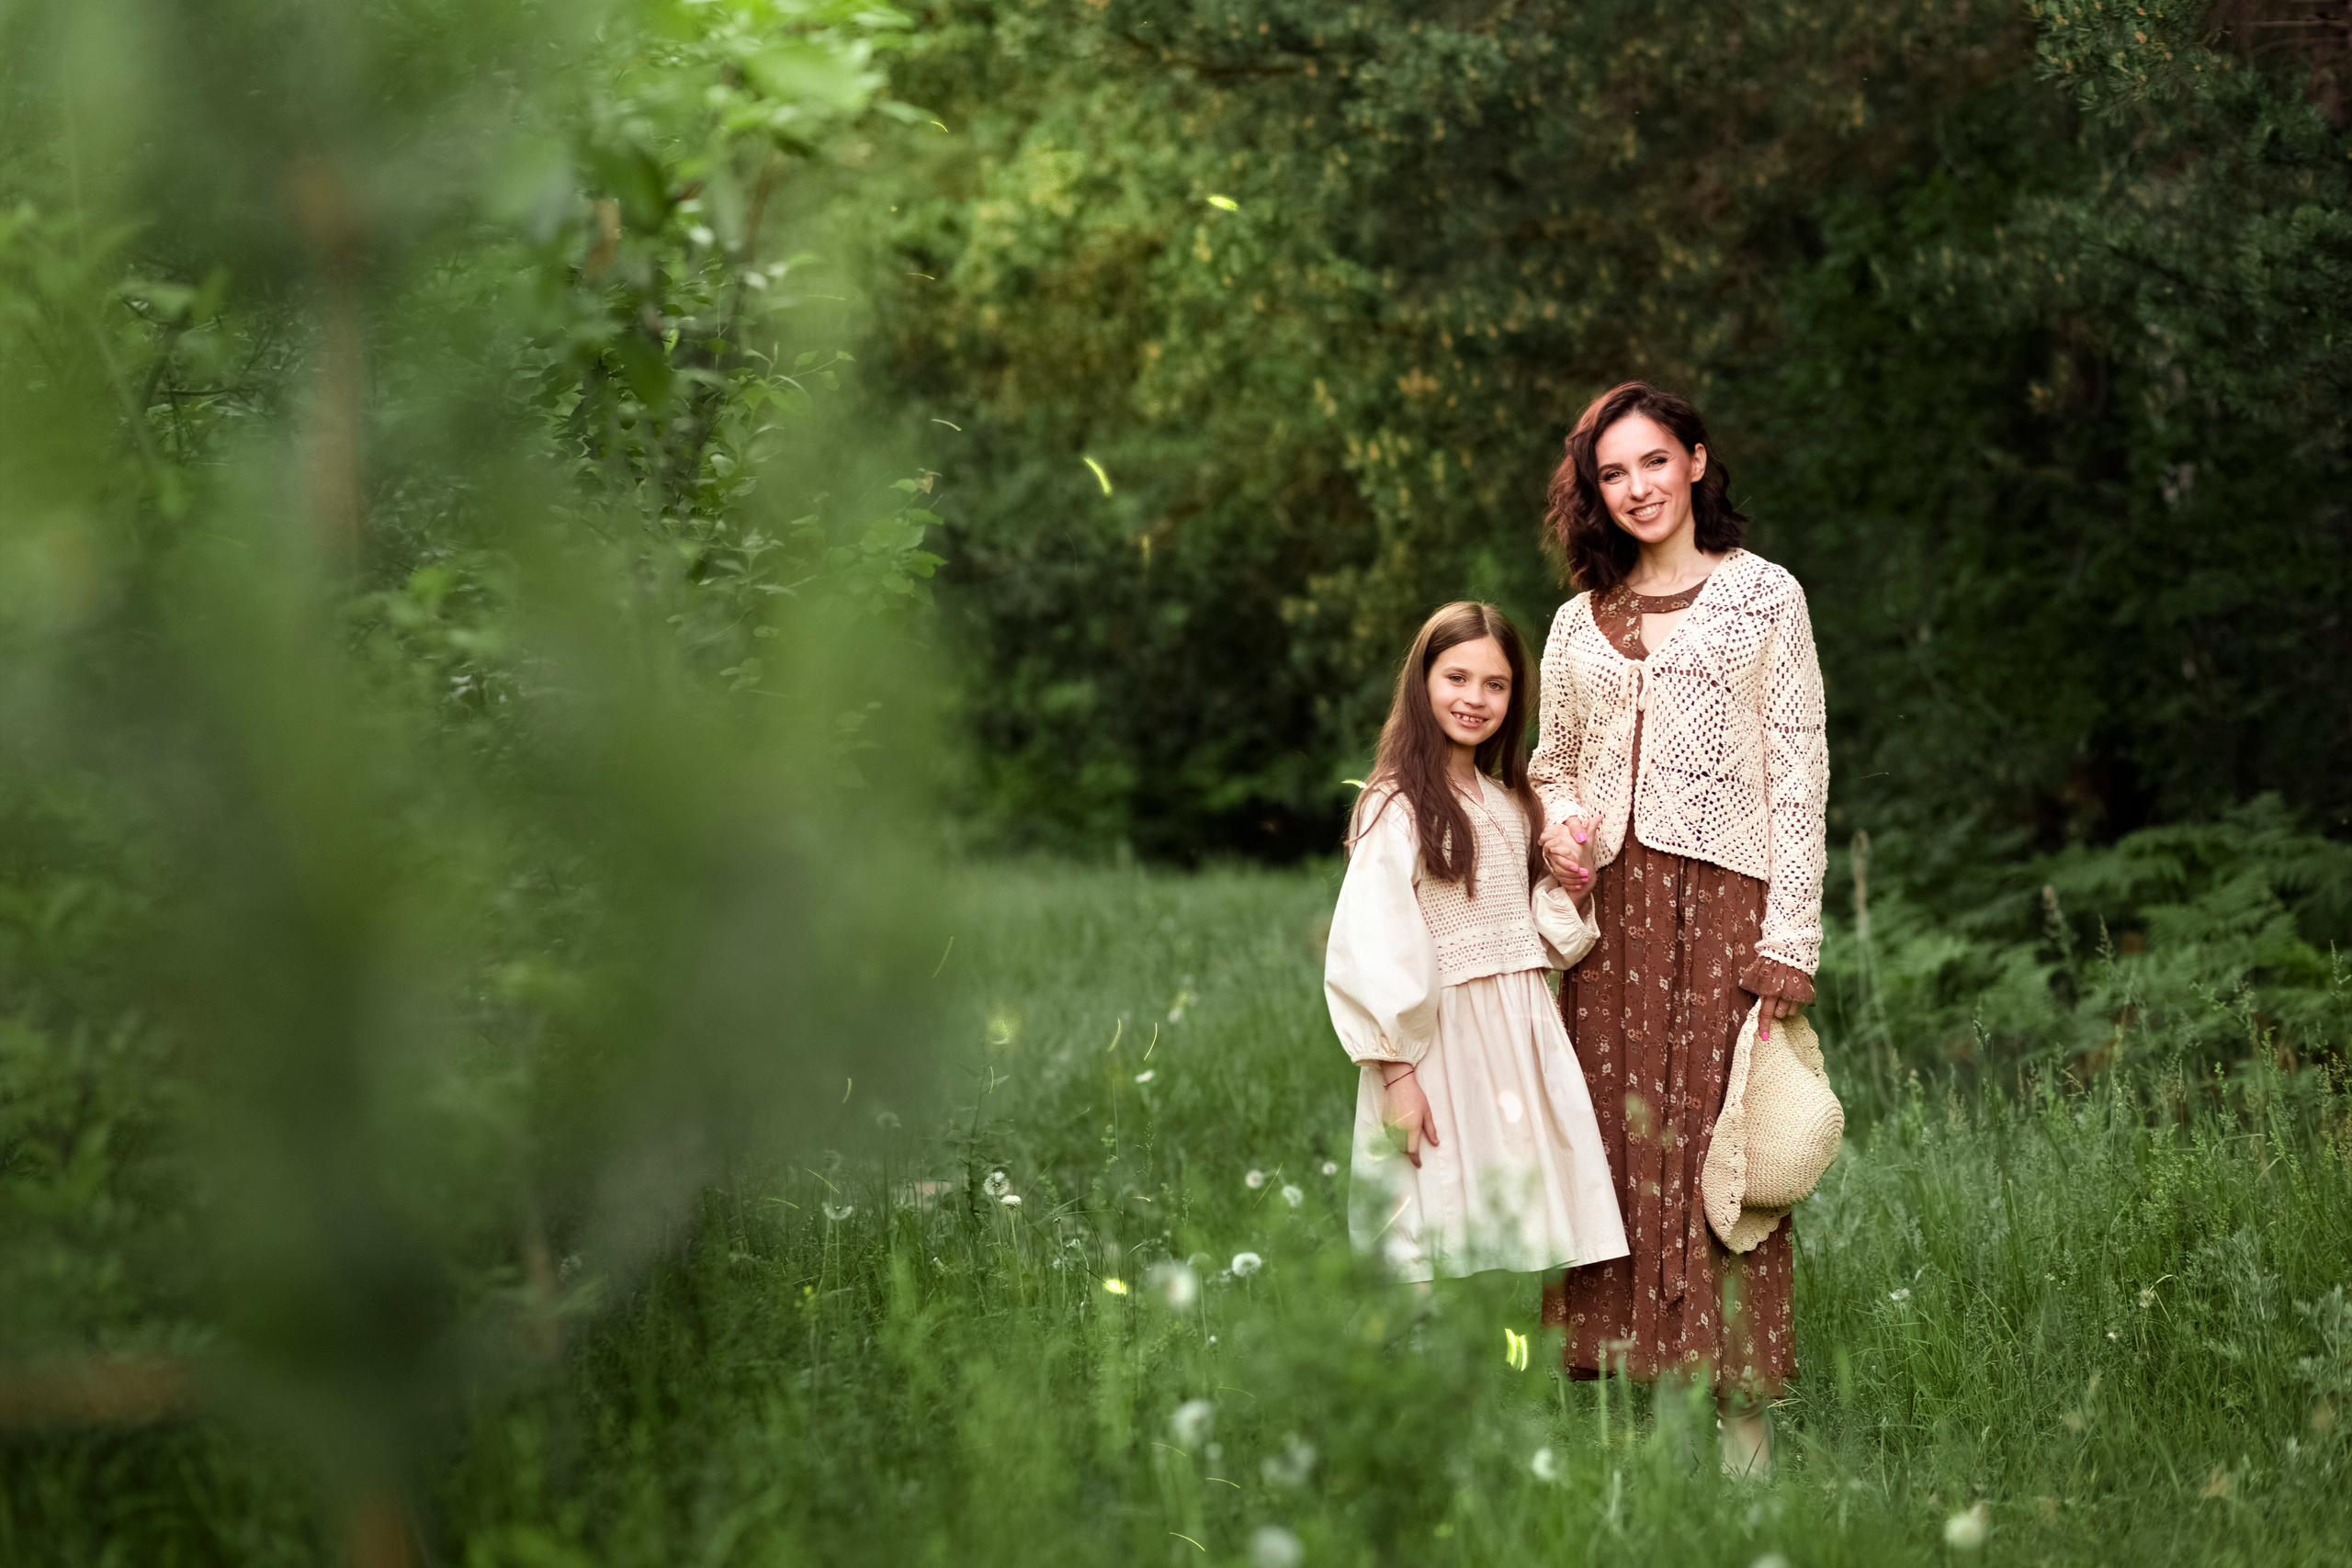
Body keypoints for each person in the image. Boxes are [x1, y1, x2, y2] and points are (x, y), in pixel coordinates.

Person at [1528, 382, 1828, 1476]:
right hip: (1607, 927)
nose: (1637, 488)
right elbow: (1549, 764)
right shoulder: (1575, 624)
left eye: (1654, 462)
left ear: (1697, 462)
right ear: (1594, 493)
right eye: (1613, 473)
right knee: (1607, 1152)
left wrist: (1790, 936)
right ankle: (1632, 1454)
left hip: (1725, 911)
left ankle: (1744, 1449)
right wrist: (1560, 824)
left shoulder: (1764, 599)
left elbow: (1799, 772)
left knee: (1723, 1160)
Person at [1324, 601, 1629, 1287]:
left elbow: (1535, 939)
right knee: (1428, 1218)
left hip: (1516, 1035)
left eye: (1496, 684)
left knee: (1511, 1213)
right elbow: (1371, 941)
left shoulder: (1510, 801)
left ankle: (1500, 1373)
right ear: (1423, 682)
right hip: (1434, 1043)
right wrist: (1396, 1071)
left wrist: (1569, 894)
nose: (1475, 698)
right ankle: (1414, 1379)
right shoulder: (1395, 803)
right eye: (1456, 677)